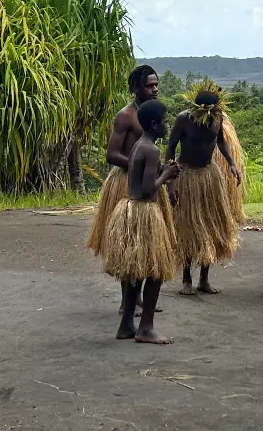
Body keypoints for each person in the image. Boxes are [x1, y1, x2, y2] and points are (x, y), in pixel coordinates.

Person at [101, 99, 182, 344]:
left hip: (130, 210)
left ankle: (126, 325)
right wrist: (166, 175)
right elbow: (148, 190)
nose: (168, 125)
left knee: (137, 271)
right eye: (166, 121)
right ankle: (146, 328)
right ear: (156, 124)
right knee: (155, 271)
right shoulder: (151, 149)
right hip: (144, 211)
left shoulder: (139, 145)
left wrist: (161, 171)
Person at [166, 81, 242, 295]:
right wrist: (170, 180)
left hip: (209, 176)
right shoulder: (184, 119)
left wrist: (232, 164)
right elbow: (170, 147)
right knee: (189, 227)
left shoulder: (218, 118)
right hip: (186, 174)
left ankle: (204, 280)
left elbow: (221, 142)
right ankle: (187, 280)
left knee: (210, 226)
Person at [87, 65, 160, 257]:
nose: (155, 89)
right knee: (127, 239)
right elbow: (112, 154)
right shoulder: (126, 116)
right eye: (149, 86)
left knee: (149, 240)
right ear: (136, 89)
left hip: (147, 181)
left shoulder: (154, 115)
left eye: (156, 85)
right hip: (125, 182)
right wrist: (139, 168)